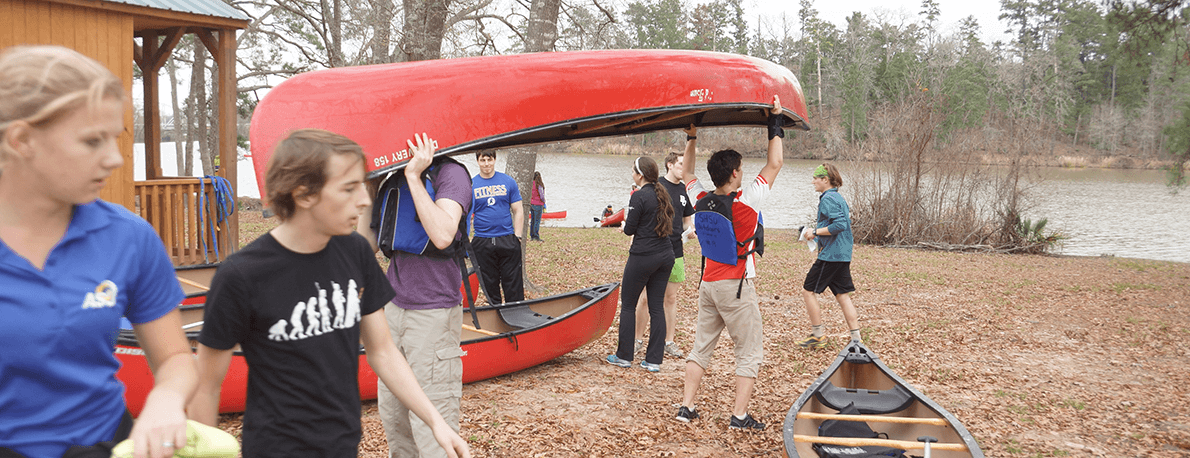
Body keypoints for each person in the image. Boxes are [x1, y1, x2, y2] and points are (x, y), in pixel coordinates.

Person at [188, 129, 470, 458]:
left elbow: (383, 353)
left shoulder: (355, 254)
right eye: (350, 189)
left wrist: (436, 421)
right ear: (305, 194)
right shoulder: (241, 275)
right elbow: (205, 385)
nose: (365, 200)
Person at [0, 45, 197, 458]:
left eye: (115, 139)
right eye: (92, 141)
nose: (114, 159)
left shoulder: (129, 237)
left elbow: (176, 357)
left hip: (105, 444)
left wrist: (165, 400)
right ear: (21, 140)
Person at [359, 134, 471, 458]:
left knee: (434, 427)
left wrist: (413, 176)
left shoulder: (452, 174)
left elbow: (441, 233)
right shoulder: (391, 177)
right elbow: (365, 243)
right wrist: (371, 184)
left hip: (433, 313)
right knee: (394, 418)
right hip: (392, 308)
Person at [676, 95, 784, 431]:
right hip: (737, 288)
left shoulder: (700, 198)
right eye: (741, 170)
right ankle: (738, 417)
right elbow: (775, 163)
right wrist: (774, 123)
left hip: (708, 285)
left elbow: (689, 171)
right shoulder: (748, 201)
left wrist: (692, 136)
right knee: (748, 353)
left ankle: (687, 408)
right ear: (735, 174)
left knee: (701, 348)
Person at [605, 156, 676, 373]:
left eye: (633, 171)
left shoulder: (638, 196)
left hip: (643, 256)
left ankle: (624, 356)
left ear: (640, 175)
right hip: (665, 255)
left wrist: (625, 224)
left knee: (628, 304)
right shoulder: (662, 193)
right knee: (656, 307)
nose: (632, 174)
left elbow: (630, 229)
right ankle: (654, 361)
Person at [633, 139, 697, 360]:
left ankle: (669, 341)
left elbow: (688, 219)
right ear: (670, 164)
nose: (684, 168)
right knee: (646, 298)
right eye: (681, 164)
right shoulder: (656, 186)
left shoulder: (685, 190)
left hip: (677, 252)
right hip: (654, 249)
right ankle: (638, 339)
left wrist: (691, 230)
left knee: (670, 298)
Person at [795, 163, 861, 348]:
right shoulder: (838, 197)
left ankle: (817, 336)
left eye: (816, 178)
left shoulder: (828, 199)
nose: (813, 181)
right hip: (843, 254)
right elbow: (839, 225)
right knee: (842, 295)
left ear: (825, 180)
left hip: (831, 256)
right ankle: (857, 339)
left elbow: (840, 224)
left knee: (808, 291)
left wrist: (815, 232)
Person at [470, 150, 524, 304]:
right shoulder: (472, 185)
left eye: (489, 159)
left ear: (494, 160)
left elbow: (518, 210)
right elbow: (465, 215)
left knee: (512, 283)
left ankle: (516, 314)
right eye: (482, 160)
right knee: (489, 284)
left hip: (506, 238)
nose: (486, 163)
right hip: (482, 241)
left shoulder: (508, 181)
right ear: (478, 161)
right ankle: (494, 314)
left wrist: (517, 237)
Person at [528, 171, 545, 242]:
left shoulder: (530, 184)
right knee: (537, 221)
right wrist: (544, 201)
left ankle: (532, 235)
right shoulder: (539, 185)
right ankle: (536, 236)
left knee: (532, 221)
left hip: (531, 204)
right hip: (538, 204)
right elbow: (541, 195)